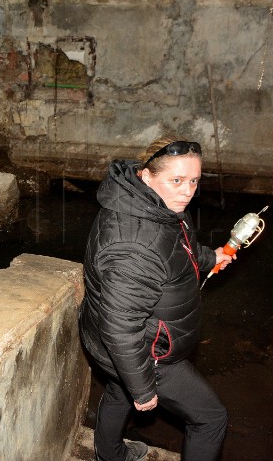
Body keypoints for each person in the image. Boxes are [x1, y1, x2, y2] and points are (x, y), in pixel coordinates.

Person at [78, 134, 234, 461]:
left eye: (194, 180)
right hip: (147, 353)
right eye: (177, 180)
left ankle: (109, 454)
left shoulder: (154, 203)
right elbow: (121, 327)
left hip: (107, 339)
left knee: (118, 392)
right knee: (210, 418)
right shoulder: (135, 245)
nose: (188, 190)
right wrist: (144, 385)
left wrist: (210, 257)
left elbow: (179, 246)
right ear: (147, 174)